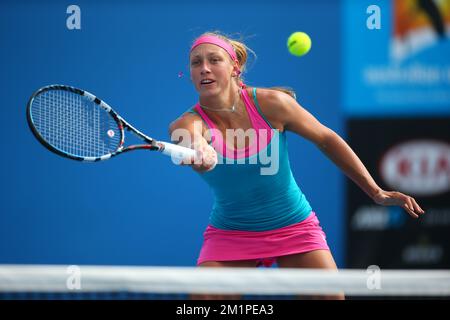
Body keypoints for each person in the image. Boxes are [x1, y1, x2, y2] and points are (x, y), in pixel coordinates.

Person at [169, 32, 425, 299]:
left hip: (294, 226)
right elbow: (192, 140)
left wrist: (376, 192)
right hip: (231, 233)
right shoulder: (184, 125)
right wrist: (199, 149)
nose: (204, 68)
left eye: (214, 60)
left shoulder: (272, 104)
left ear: (235, 67)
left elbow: (326, 138)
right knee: (202, 302)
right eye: (196, 63)